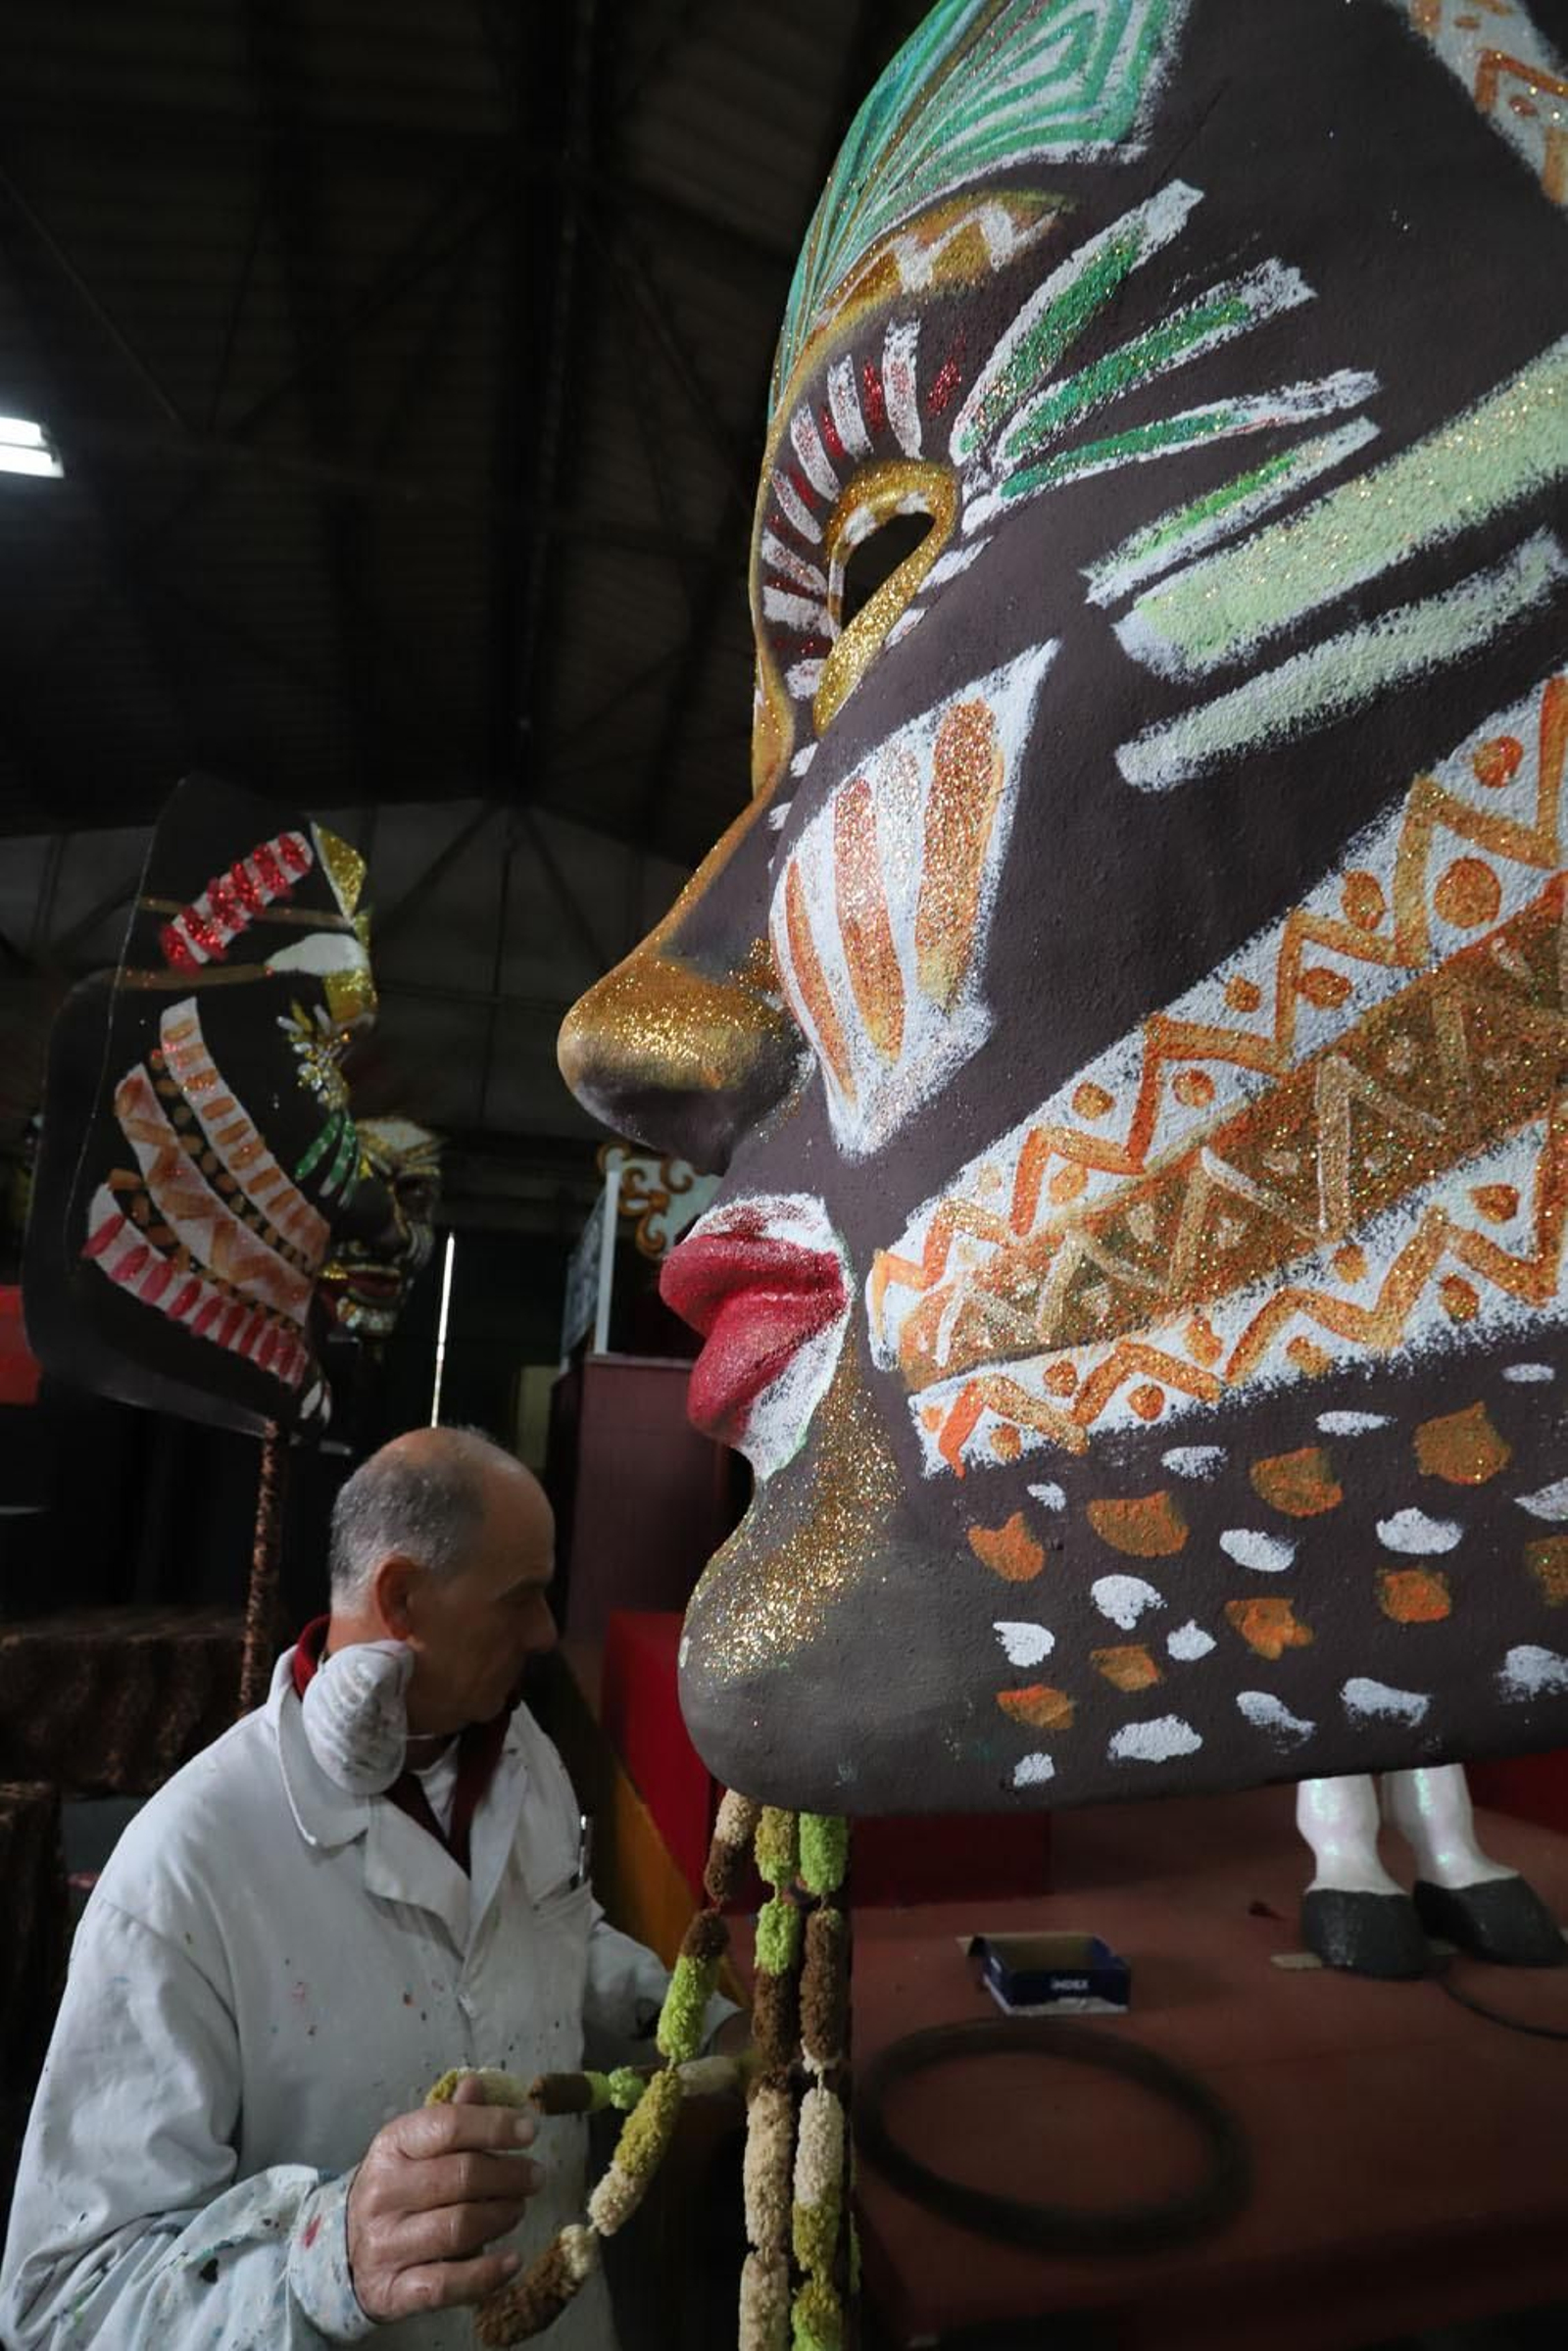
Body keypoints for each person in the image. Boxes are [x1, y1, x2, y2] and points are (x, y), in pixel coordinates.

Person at [1, 1425, 730, 2347]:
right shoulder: (185, 1870)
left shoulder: (525, 1759)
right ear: (401, 1597)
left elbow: (558, 1938)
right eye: (522, 1599)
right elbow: (64, 2304)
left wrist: (703, 2027)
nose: (546, 1633)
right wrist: (331, 2254)